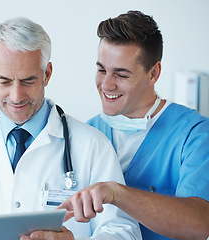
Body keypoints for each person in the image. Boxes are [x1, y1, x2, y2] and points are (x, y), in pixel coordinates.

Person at [0, 17, 141, 240]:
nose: (16, 96)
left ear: (47, 74)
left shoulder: (92, 146)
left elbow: (124, 232)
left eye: (28, 81)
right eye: (4, 81)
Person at [59, 10, 209, 240]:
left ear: (153, 73)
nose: (106, 84)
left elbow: (200, 224)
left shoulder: (193, 134)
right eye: (101, 70)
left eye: (121, 74)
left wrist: (117, 194)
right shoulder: (85, 135)